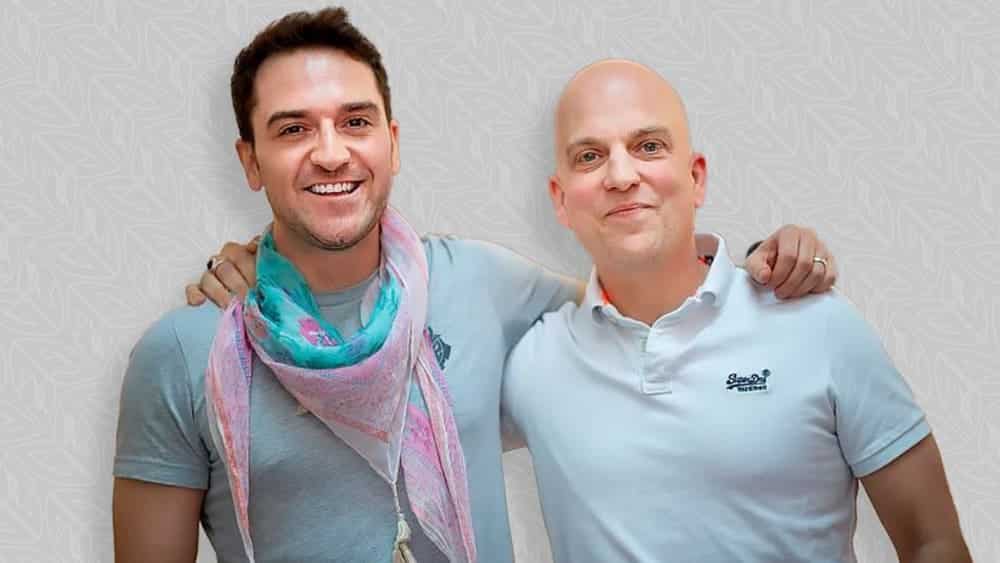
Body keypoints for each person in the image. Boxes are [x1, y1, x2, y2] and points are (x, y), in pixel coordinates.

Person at [115, 7, 836, 563]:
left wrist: (763, 263)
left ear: (393, 142)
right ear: (250, 161)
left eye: (355, 121)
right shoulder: (185, 352)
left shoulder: (482, 285)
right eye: (293, 129)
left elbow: (646, 309)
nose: (331, 152)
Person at [499, 59, 971, 562]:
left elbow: (933, 543)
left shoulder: (818, 325)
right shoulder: (529, 364)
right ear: (560, 200)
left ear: (696, 177)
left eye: (648, 146)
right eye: (590, 156)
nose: (621, 175)